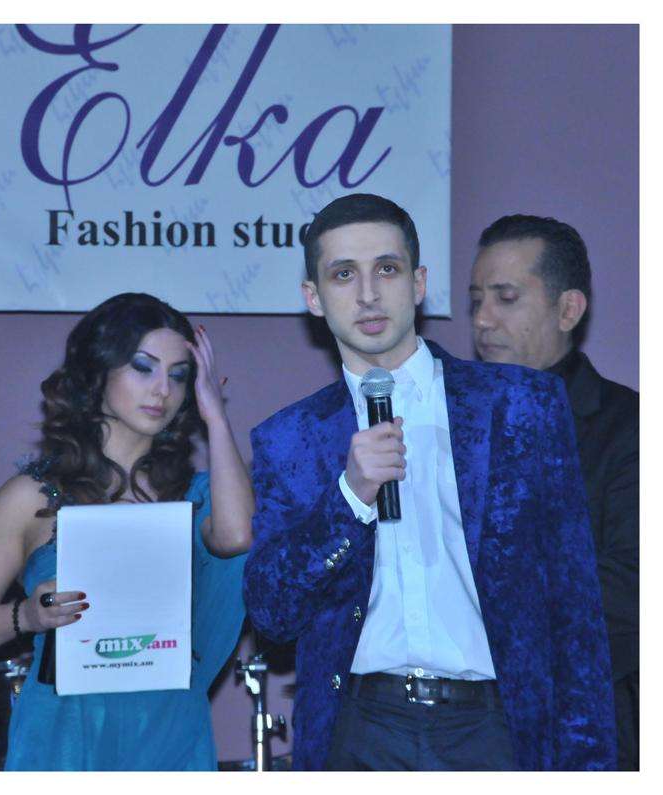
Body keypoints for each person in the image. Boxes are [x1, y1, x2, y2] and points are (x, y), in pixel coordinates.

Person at [242, 193, 616, 771]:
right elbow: (272, 613)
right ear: (313, 298)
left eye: (387, 269)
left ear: (418, 284)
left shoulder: (519, 404)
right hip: (360, 728)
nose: (368, 294)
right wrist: (349, 499)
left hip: (495, 726)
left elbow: (575, 609)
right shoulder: (289, 438)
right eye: (344, 274)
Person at [0, 292, 253, 771]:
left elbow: (237, 538)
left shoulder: (197, 495)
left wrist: (215, 416)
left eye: (178, 375)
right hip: (64, 738)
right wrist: (27, 616)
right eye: (143, 368)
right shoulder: (32, 497)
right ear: (98, 371)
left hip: (170, 734)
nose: (162, 390)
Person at [470, 214, 639, 770]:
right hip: (453, 731)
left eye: (506, 298)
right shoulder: (448, 426)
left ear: (568, 310)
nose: (483, 319)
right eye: (476, 300)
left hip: (585, 727)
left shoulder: (628, 427)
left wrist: (483, 609)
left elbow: (634, 582)